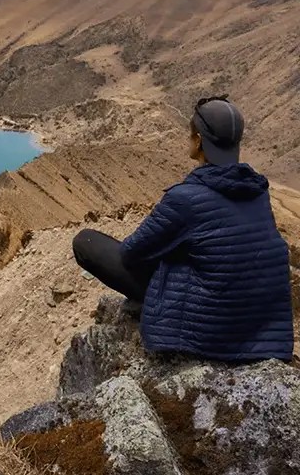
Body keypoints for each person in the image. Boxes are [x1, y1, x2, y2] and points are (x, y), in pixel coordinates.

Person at [72, 96, 294, 362]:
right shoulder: (258, 192)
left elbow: (132, 254)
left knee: (86, 242)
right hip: (259, 329)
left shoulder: (185, 199)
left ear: (199, 141)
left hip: (210, 331)